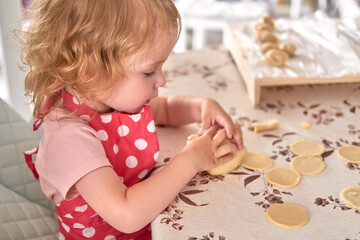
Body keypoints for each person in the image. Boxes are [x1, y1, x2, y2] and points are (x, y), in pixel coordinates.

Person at [20, 0, 243, 239]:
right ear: (90, 72)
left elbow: (165, 109)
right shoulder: (68, 139)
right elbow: (126, 214)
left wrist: (202, 107)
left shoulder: (107, 97)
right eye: (149, 71)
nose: (162, 80)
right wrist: (190, 160)